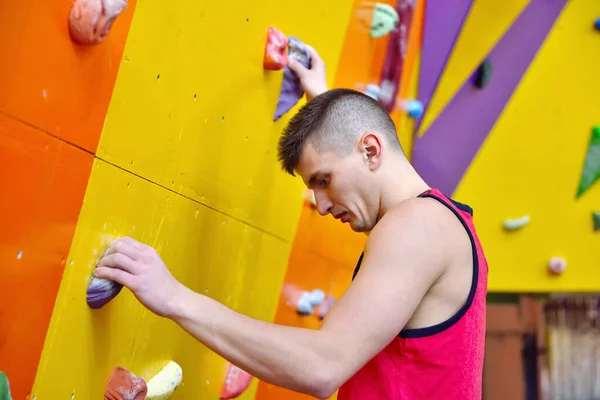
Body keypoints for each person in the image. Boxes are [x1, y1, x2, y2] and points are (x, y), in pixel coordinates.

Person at [95, 45, 488, 399]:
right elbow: (361, 153)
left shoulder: (417, 226)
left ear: (371, 150)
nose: (319, 205)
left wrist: (174, 298)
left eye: (323, 180)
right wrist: (325, 105)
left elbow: (322, 367)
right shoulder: (440, 223)